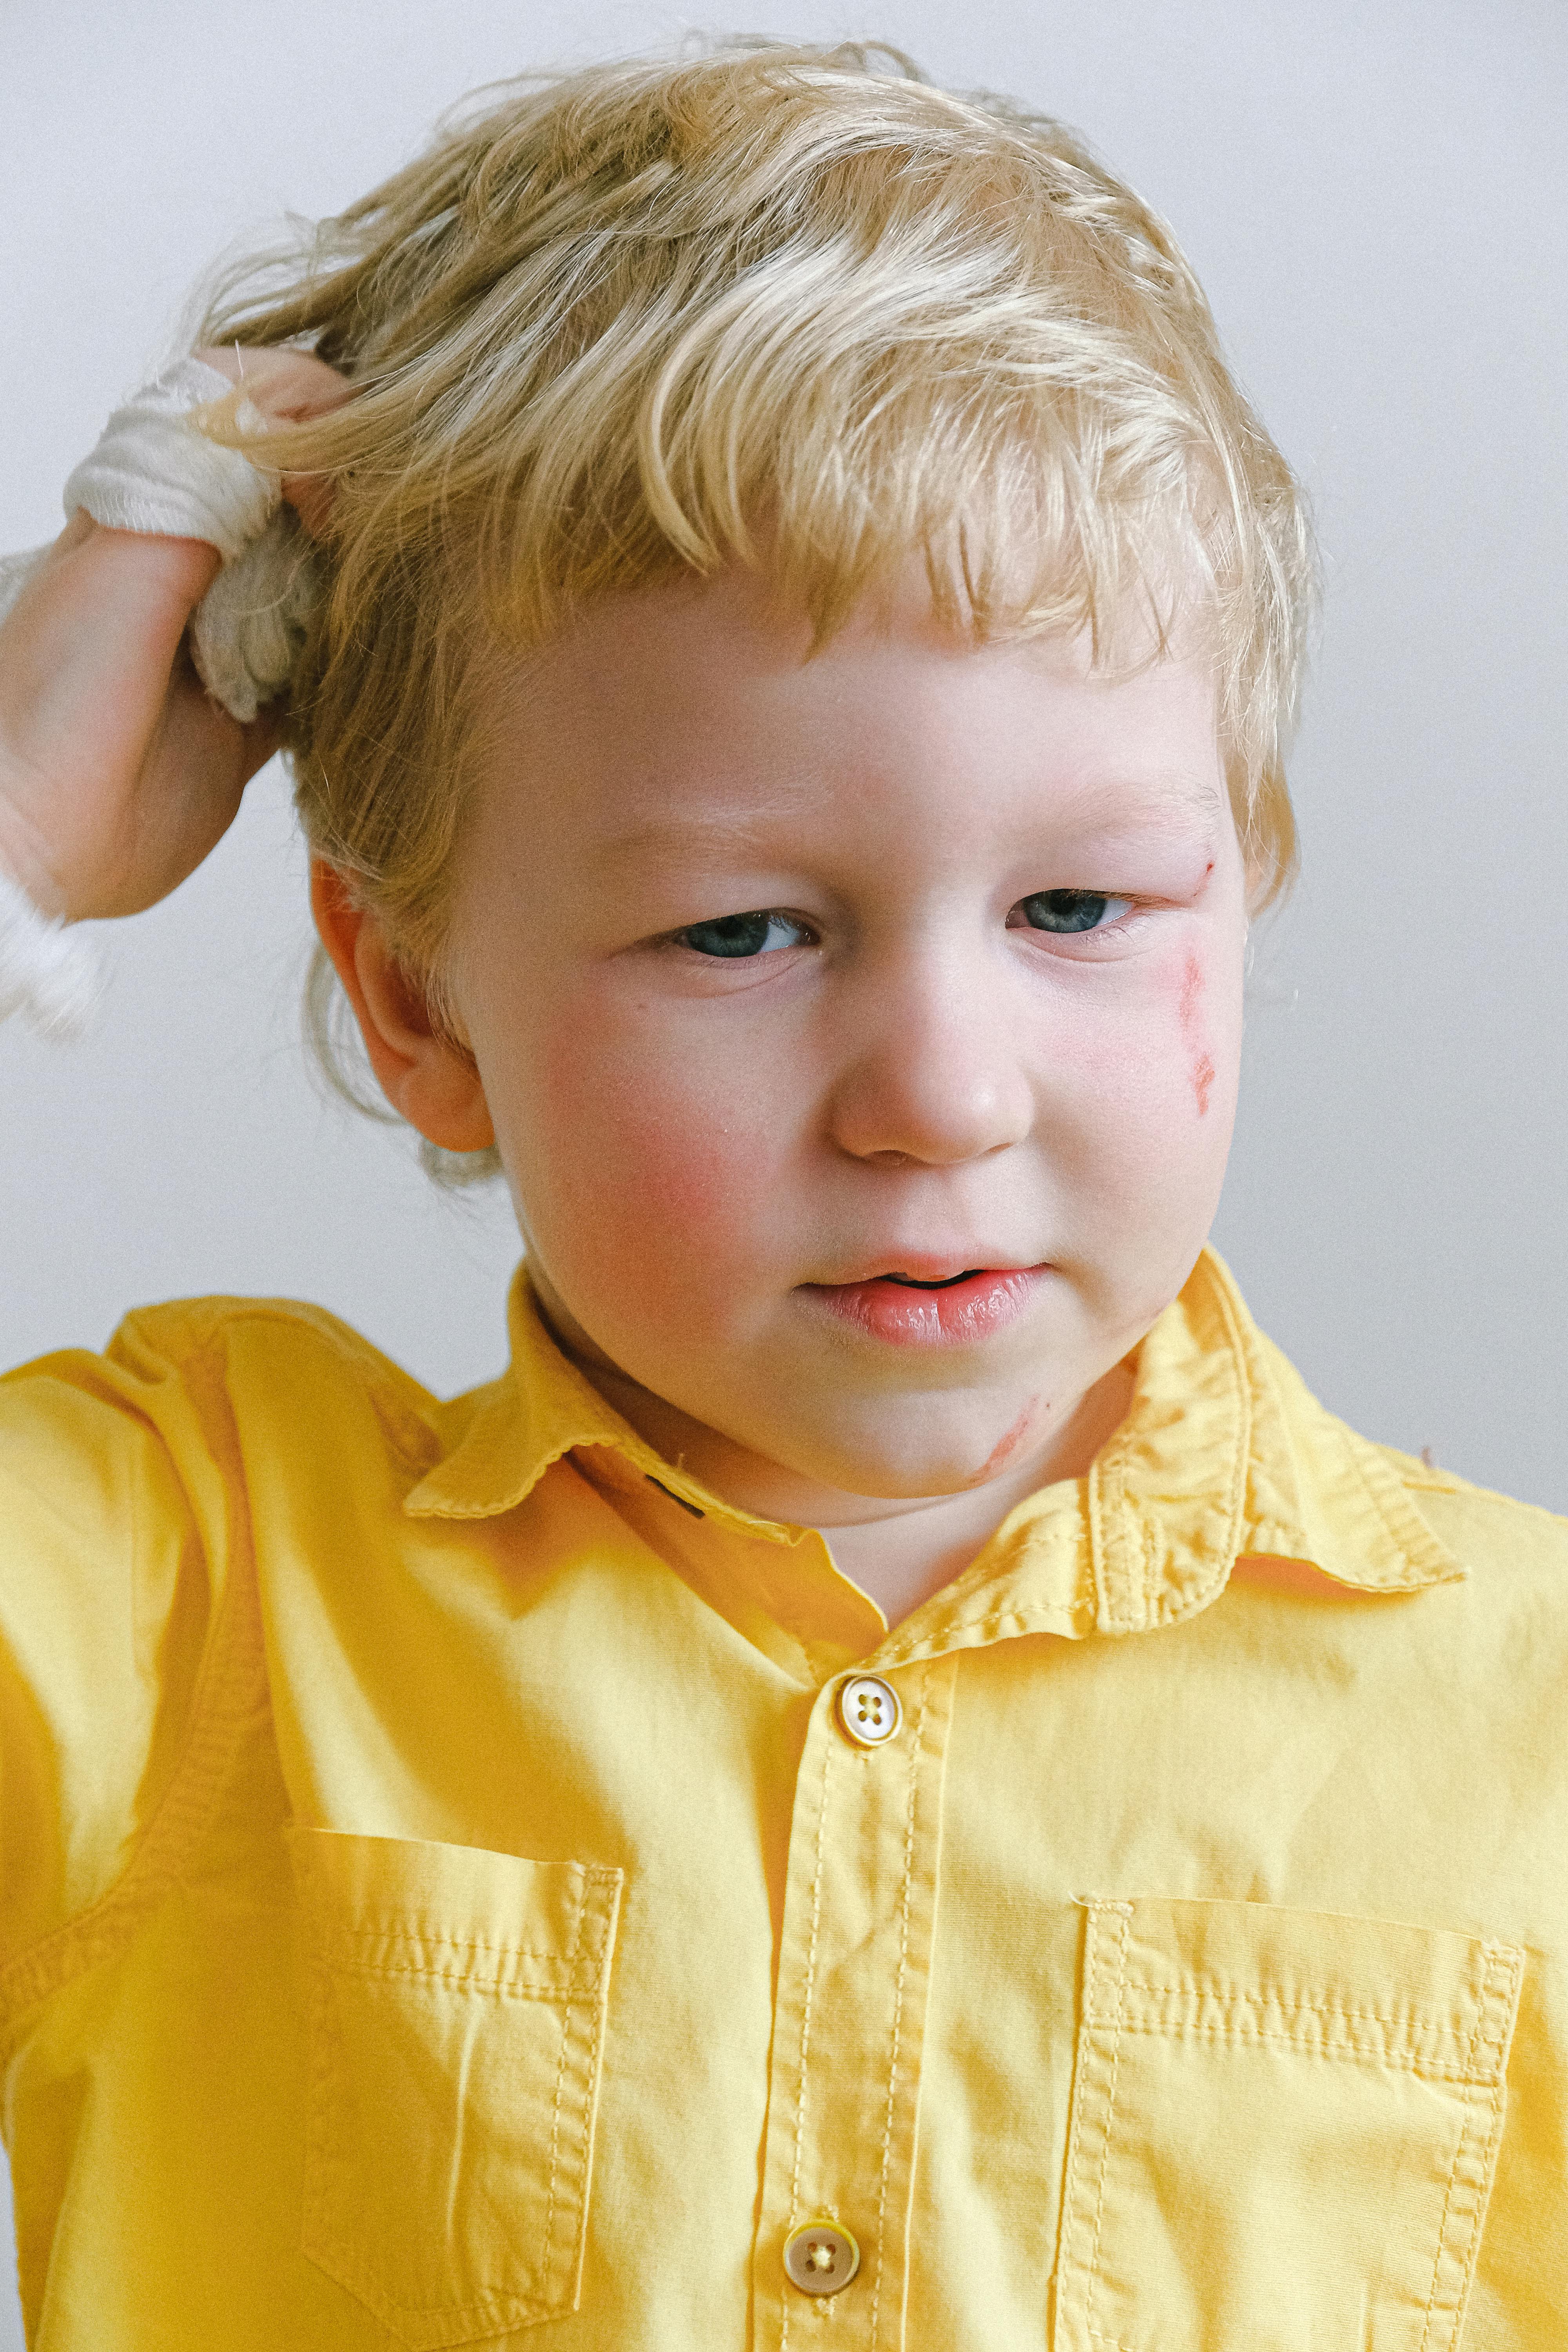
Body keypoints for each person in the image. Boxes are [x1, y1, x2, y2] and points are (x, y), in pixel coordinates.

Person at [0, 38, 1561, 2352]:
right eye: (745, 933)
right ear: (414, 999)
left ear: (1246, 891)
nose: (939, 1094)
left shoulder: (1526, 1719)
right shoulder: (183, 1598)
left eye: (1081, 910)